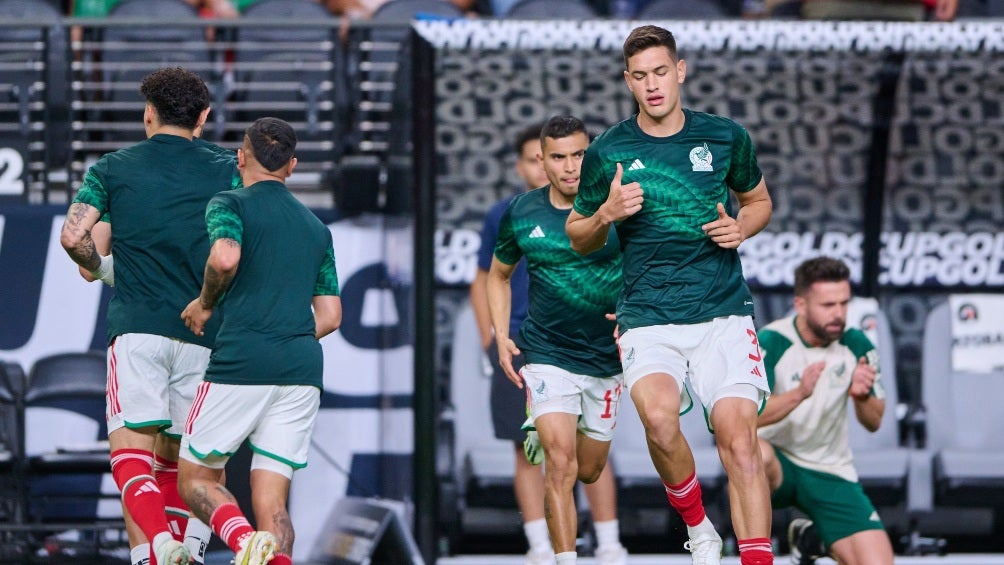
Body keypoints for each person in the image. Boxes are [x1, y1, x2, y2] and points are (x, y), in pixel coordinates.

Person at [566, 24, 774, 565]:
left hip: (722, 314)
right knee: (659, 421)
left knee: (741, 442)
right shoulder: (609, 149)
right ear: (628, 82)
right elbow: (578, 234)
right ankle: (699, 525)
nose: (653, 85)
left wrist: (743, 228)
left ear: (680, 71)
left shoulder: (725, 136)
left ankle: (756, 559)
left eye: (661, 72)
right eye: (640, 76)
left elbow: (758, 201)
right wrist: (606, 215)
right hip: (649, 318)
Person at [60, 66, 242, 565]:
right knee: (191, 470)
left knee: (133, 458)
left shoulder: (114, 169)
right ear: (204, 117)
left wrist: (103, 269)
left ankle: (157, 549)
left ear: (148, 114)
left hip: (138, 330)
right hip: (205, 334)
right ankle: (189, 552)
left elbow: (75, 242)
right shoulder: (229, 168)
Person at [178, 117, 342, 565]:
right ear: (292, 166)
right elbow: (330, 316)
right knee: (274, 505)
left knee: (194, 480)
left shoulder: (229, 202)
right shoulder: (315, 227)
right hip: (301, 369)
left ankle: (242, 541)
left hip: (242, 362)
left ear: (240, 156)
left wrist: (205, 302)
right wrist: (285, 338)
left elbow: (225, 256)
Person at [470, 123, 628, 565]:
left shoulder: (618, 203)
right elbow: (490, 278)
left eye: (577, 155)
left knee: (590, 464)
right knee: (551, 458)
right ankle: (550, 552)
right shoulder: (514, 212)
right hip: (535, 348)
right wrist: (497, 339)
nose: (568, 165)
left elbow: (647, 265)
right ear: (536, 160)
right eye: (555, 157)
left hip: (602, 353)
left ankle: (609, 541)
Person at [756, 257, 893, 565]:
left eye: (844, 303)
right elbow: (744, 417)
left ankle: (812, 538)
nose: (839, 314)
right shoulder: (771, 341)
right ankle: (757, 553)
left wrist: (861, 398)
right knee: (753, 453)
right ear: (801, 305)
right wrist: (799, 393)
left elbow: (874, 422)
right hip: (775, 463)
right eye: (828, 305)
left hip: (829, 468)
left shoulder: (857, 344)